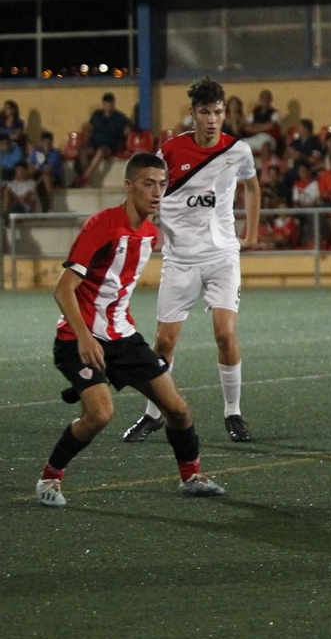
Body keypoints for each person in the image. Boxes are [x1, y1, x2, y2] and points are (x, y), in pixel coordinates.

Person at [36, 152, 226, 506]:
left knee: (178, 410)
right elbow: (63, 288)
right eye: (147, 184)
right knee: (100, 414)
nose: (156, 192)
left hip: (123, 338)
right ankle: (50, 478)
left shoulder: (151, 232)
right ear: (128, 186)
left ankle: (191, 477)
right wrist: (84, 335)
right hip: (77, 339)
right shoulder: (102, 225)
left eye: (162, 184)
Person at [121, 78, 261, 445]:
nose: (212, 120)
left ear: (224, 112)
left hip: (221, 256)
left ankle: (233, 412)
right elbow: (151, 190)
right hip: (180, 260)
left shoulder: (239, 151)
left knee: (225, 333)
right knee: (165, 342)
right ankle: (153, 415)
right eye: (205, 112)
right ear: (192, 114)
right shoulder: (170, 152)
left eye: (218, 112)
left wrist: (251, 233)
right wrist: (143, 230)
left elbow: (253, 185)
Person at [77, 93, 130, 185]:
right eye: (107, 104)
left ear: (113, 104)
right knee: (83, 151)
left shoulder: (119, 117)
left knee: (101, 151)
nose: (108, 107)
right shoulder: (96, 115)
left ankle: (84, 177)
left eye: (110, 104)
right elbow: (89, 127)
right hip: (95, 144)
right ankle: (87, 180)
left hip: (109, 147)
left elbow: (128, 129)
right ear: (103, 104)